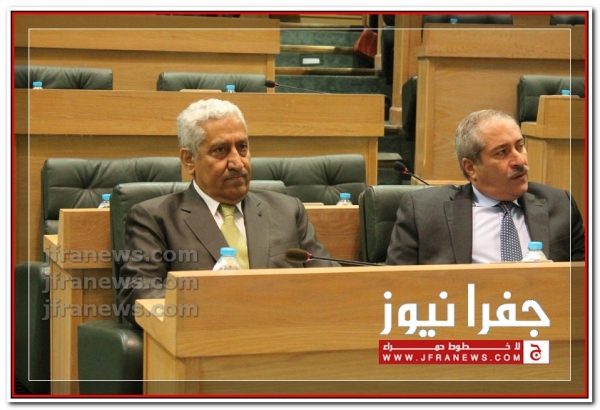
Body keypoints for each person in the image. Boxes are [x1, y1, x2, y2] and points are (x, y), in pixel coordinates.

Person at [118, 98, 338, 326]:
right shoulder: (155, 219)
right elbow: (140, 295)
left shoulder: (287, 210)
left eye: (242, 147)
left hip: (289, 332)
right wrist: (229, 311)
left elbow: (332, 281)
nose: (237, 163)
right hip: (208, 338)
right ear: (189, 160)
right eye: (220, 151)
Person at [386, 109, 585, 265]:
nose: (519, 160)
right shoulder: (425, 212)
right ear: (471, 168)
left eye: (519, 146)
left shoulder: (560, 205)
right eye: (502, 152)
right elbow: (396, 285)